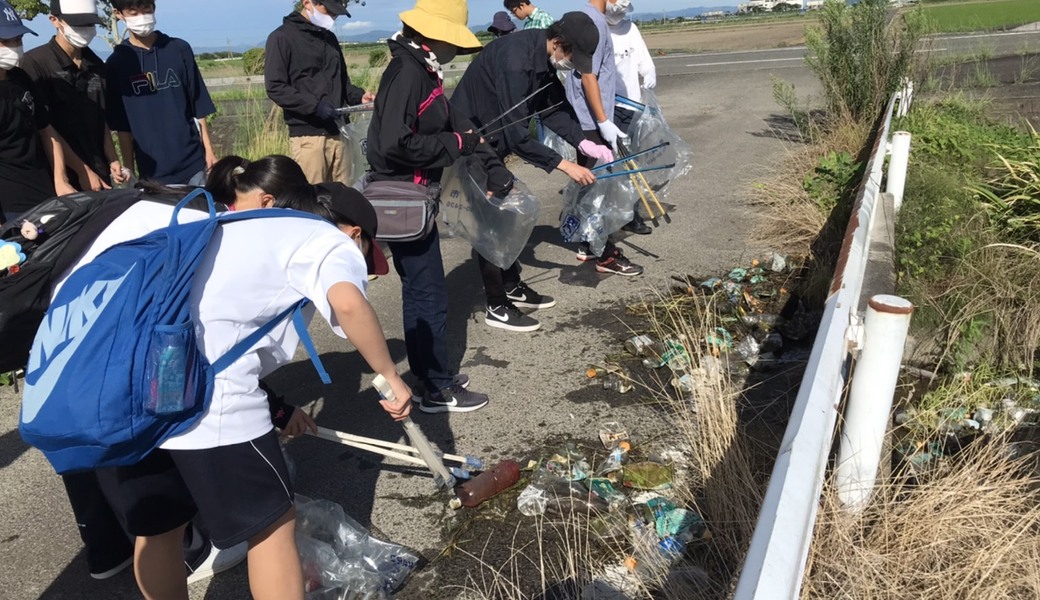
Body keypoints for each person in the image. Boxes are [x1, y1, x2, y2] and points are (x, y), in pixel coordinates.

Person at [59, 181, 411, 600]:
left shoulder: (241, 224)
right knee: (272, 527)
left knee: (160, 528)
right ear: (355, 233)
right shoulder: (325, 240)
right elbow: (349, 303)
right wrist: (392, 376)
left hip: (133, 389)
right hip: (211, 399)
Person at [367, 0, 495, 413]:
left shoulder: (418, 67)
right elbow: (391, 144)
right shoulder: (409, 72)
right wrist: (454, 145)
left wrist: (462, 136)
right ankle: (438, 387)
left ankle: (428, 377)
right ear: (434, 35)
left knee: (419, 292)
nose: (454, 51)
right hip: (404, 197)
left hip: (412, 195)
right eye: (453, 42)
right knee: (429, 294)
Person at [452, 12, 612, 333]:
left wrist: (585, 141)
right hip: (472, 142)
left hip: (494, 141)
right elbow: (517, 135)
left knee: (508, 215)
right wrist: (564, 165)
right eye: (572, 57)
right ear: (557, 43)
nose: (571, 64)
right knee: (491, 222)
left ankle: (511, 283)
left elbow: (552, 107)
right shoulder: (516, 61)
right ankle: (496, 304)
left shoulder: (542, 59)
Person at [564, 0, 643, 276]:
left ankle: (588, 244)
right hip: (591, 121)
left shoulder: (584, 17)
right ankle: (606, 255)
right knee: (599, 189)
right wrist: (603, 121)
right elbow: (589, 77)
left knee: (589, 185)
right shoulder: (593, 22)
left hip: (587, 118)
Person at [105, 0, 217, 186]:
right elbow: (122, 128)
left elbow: (199, 105)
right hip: (152, 173)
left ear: (154, 8)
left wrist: (210, 151)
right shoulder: (116, 63)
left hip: (194, 164)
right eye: (133, 12)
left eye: (146, 9)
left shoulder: (179, 49)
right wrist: (129, 170)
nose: (142, 16)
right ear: (119, 14)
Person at [22, 0, 129, 193]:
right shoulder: (35, 64)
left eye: (89, 24)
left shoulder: (96, 63)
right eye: (78, 24)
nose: (85, 29)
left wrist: (112, 158)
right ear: (55, 20)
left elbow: (101, 116)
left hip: (99, 174)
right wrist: (82, 170)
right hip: (61, 180)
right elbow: (45, 129)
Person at [265, 0, 375, 185]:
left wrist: (360, 97)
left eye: (336, 12)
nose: (332, 16)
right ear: (307, 3)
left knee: (345, 197)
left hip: (340, 132)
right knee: (313, 198)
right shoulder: (281, 37)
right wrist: (314, 107)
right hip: (308, 137)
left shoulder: (329, 39)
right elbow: (276, 87)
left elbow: (343, 83)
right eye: (329, 10)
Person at [0, 1, 75, 224]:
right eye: (5, 41)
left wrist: (61, 180)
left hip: (46, 195)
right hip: (11, 208)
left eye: (18, 40)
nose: (15, 47)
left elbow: (46, 130)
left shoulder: (20, 77)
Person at [607, 0, 656, 236]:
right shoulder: (595, 29)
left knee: (632, 162)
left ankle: (631, 214)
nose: (619, 8)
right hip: (607, 109)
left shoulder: (630, 29)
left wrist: (648, 72)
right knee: (610, 163)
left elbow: (643, 58)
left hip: (632, 106)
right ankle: (610, 212)